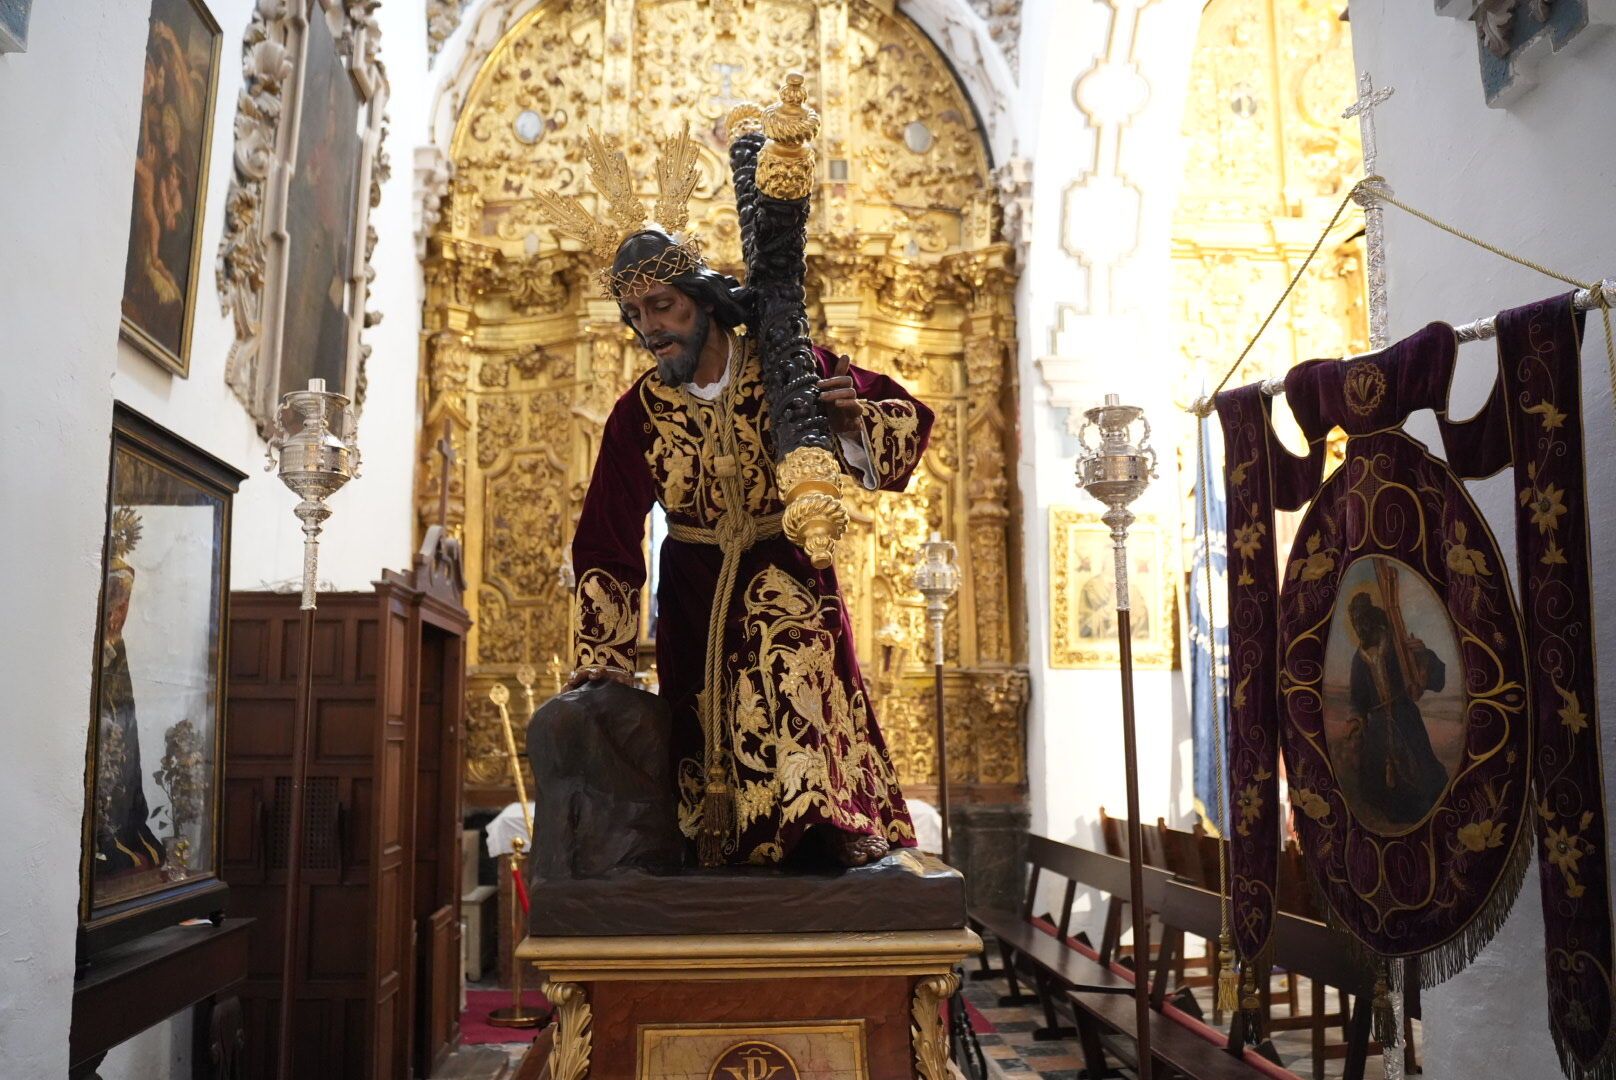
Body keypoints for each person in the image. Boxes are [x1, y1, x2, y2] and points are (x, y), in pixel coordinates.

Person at [549, 131, 933, 869]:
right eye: (637, 315)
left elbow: (906, 426)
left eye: (663, 307)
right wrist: (606, 650)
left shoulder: (788, 362)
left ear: (703, 301)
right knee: (705, 744)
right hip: (694, 593)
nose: (651, 329)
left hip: (788, 568)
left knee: (790, 652)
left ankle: (826, 826)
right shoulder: (638, 413)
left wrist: (853, 423)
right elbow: (605, 534)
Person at [1346, 591, 1450, 826]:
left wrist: (1422, 655)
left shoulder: (1396, 644)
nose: (1359, 629)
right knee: (1378, 783)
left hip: (1405, 716)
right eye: (1355, 624)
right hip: (1378, 726)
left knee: (1422, 770)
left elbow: (1431, 677)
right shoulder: (1358, 660)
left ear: (1372, 620)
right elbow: (1356, 699)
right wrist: (1355, 722)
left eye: (1362, 622)